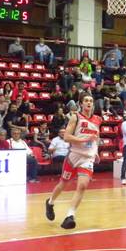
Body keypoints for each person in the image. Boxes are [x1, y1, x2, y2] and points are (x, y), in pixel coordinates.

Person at [45, 93, 101, 230]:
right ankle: (50, 202)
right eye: (86, 100)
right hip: (73, 156)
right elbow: (67, 137)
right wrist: (83, 140)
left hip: (88, 157)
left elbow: (96, 137)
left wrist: (96, 151)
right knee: (63, 183)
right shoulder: (75, 117)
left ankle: (70, 216)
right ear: (81, 103)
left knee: (82, 186)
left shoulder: (98, 119)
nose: (89, 103)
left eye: (91, 101)